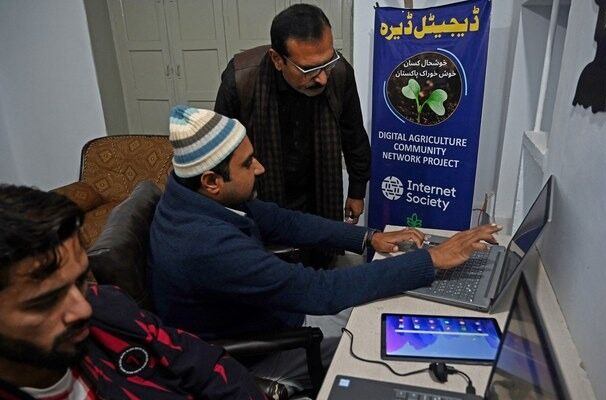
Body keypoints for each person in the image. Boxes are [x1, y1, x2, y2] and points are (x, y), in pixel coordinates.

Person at [149, 106, 501, 390]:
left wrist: (369, 238)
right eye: (247, 163)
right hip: (258, 351)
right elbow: (318, 291)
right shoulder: (204, 243)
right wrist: (431, 259)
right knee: (391, 342)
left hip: (272, 316)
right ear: (211, 182)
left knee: (391, 309)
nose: (260, 168)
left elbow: (286, 222)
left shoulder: (191, 196)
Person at [0, 184, 265, 400]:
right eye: (46, 301)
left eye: (80, 281)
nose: (82, 308)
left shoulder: (109, 310)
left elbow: (208, 366)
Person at [214, 4, 370, 267]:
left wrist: (357, 191)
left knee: (321, 258)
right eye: (309, 70)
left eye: (328, 63)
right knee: (271, 264)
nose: (322, 79)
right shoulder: (242, 79)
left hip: (319, 186)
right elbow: (221, 152)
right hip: (263, 192)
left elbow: (353, 134)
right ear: (277, 60)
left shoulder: (340, 73)